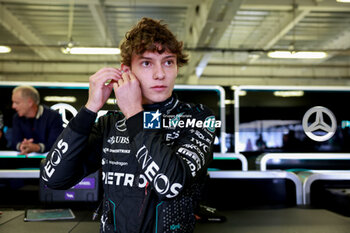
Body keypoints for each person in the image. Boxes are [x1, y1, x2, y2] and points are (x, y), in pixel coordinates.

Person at [42, 17, 216, 233]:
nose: (160, 73)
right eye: (146, 63)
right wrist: (90, 109)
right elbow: (54, 178)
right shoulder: (110, 124)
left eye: (168, 62)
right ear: (127, 70)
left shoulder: (197, 118)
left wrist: (134, 112)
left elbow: (170, 186)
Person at [11, 86, 64, 154]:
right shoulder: (17, 117)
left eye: (17, 103)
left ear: (30, 102)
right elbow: (14, 142)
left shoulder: (54, 117)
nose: (13, 106)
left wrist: (36, 147)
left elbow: (56, 144)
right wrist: (22, 146)